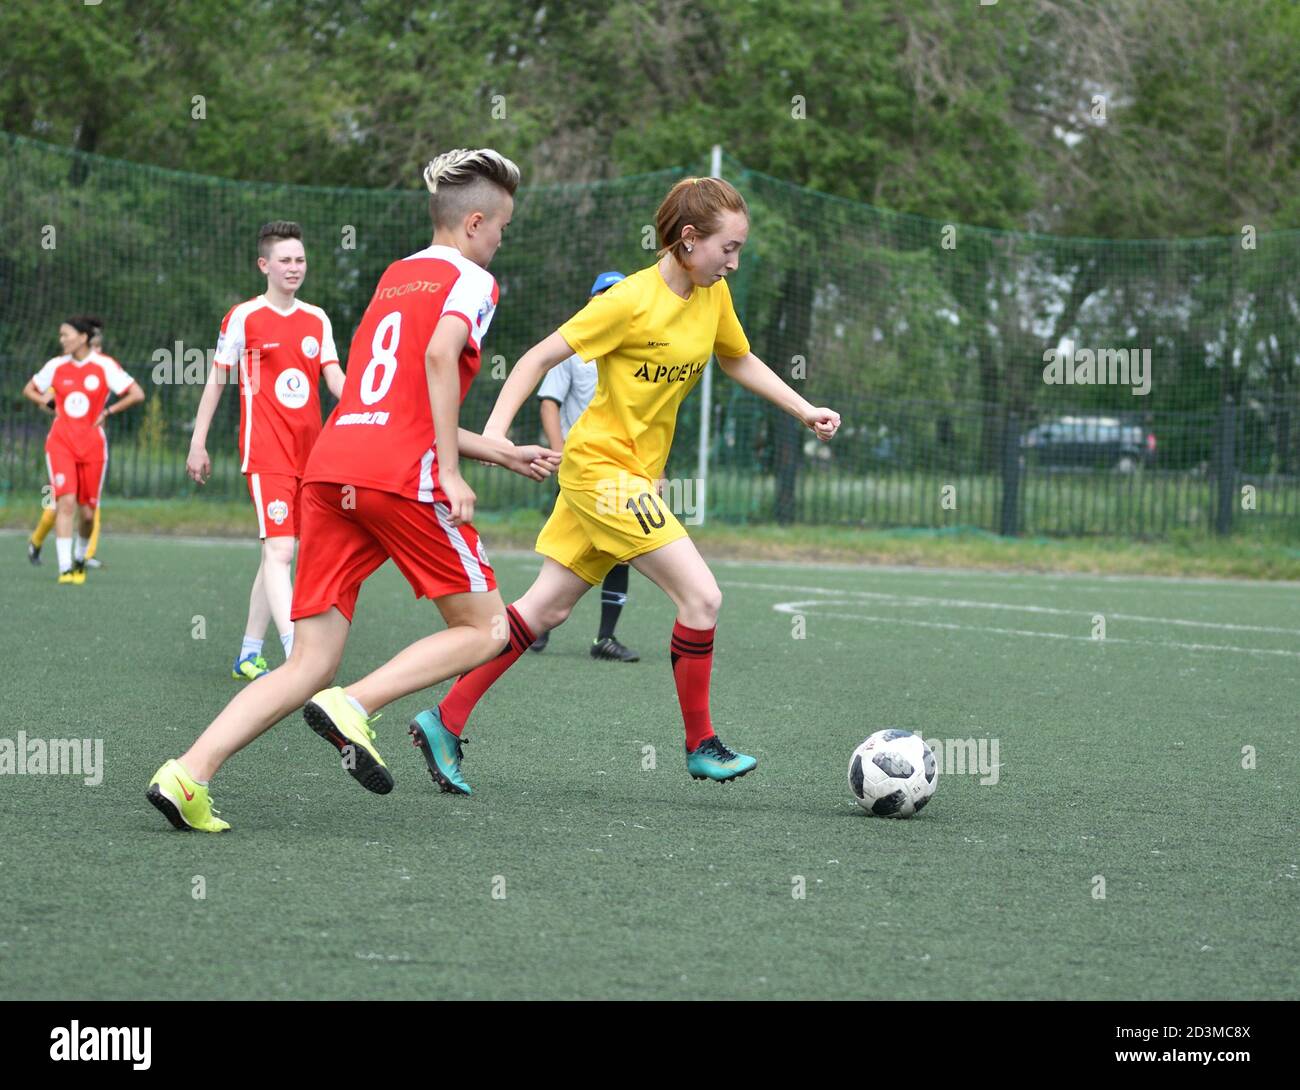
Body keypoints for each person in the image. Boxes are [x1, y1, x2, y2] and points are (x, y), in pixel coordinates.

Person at [146, 148, 561, 833]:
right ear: (475, 223)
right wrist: (453, 472)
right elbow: (434, 361)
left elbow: (386, 402)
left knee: (310, 659)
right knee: (486, 628)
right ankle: (356, 705)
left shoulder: (396, 277)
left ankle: (187, 773)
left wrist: (493, 450)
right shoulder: (474, 282)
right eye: (502, 228)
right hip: (400, 478)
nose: (500, 241)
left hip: (334, 468)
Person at [408, 176, 840, 796]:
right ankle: (701, 745)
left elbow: (736, 357)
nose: (735, 262)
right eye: (729, 248)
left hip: (632, 479)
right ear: (689, 240)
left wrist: (804, 409)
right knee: (703, 598)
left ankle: (443, 719)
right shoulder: (627, 301)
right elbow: (534, 359)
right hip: (601, 476)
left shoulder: (711, 295)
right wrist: (498, 437)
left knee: (546, 609)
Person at [186, 221, 345, 680]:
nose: (294, 268)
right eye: (285, 260)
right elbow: (217, 381)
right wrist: (198, 443)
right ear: (265, 265)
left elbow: (334, 378)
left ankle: (248, 654)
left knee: (277, 552)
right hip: (266, 452)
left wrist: (365, 403)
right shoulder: (244, 317)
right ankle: (298, 650)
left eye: (300, 260)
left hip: (310, 456)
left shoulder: (317, 318)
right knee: (280, 551)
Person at [530, 270, 640, 662]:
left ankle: (605, 639)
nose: (612, 300)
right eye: (604, 294)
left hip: (626, 470)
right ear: (592, 301)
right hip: (584, 467)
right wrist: (560, 452)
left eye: (618, 293)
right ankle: (535, 626)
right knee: (565, 550)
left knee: (622, 552)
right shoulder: (574, 347)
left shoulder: (637, 349)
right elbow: (548, 402)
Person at [21, 316, 145, 584]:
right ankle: (65, 568)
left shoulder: (104, 366)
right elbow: (29, 389)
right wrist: (45, 401)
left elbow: (137, 393)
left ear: (83, 338)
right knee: (64, 502)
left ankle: (79, 557)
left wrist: (109, 411)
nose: (62, 339)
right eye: (61, 335)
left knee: (88, 513)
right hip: (60, 443)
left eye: (66, 335)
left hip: (92, 446)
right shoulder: (55, 366)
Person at [28, 325, 114, 569]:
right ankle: (35, 541)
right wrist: (55, 407)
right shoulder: (63, 371)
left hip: (89, 448)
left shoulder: (102, 371)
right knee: (56, 506)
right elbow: (44, 399)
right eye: (93, 345)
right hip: (64, 447)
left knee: (90, 508)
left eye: (99, 346)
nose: (96, 351)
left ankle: (83, 556)